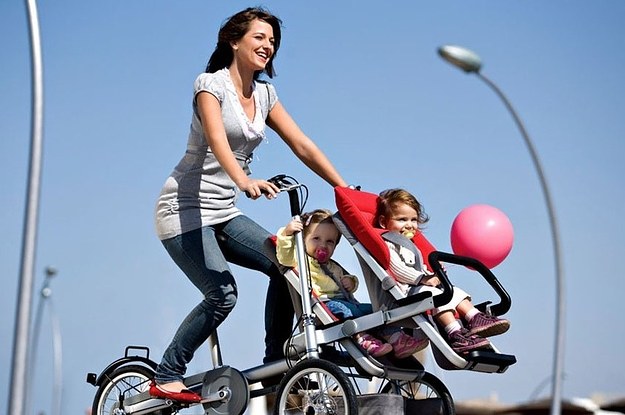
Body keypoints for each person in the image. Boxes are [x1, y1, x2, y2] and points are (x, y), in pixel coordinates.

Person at [150, 7, 347, 403]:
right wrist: (243, 181)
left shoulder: (265, 94)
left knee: (287, 263)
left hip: (223, 212)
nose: (267, 45)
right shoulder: (210, 86)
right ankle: (168, 372)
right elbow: (218, 139)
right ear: (233, 40)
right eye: (259, 37)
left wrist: (344, 188)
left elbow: (302, 144)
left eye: (272, 41)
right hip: (184, 210)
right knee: (223, 294)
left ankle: (277, 363)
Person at [276, 209, 428, 359]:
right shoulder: (300, 261)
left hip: (348, 303)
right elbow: (284, 257)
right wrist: (287, 234)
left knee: (377, 311)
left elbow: (349, 278)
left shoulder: (332, 266)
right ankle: (363, 339)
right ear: (303, 240)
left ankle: (396, 338)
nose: (323, 245)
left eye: (330, 242)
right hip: (323, 306)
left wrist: (351, 282)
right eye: (316, 238)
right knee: (344, 310)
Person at [375, 188, 510, 355]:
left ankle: (475, 317)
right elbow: (396, 269)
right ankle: (455, 333)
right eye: (402, 219)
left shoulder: (410, 246)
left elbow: (415, 266)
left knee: (455, 292)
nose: (409, 225)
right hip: (404, 293)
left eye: (413, 220)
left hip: (418, 287)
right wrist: (422, 278)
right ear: (383, 222)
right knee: (437, 297)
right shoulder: (389, 243)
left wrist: (432, 273)